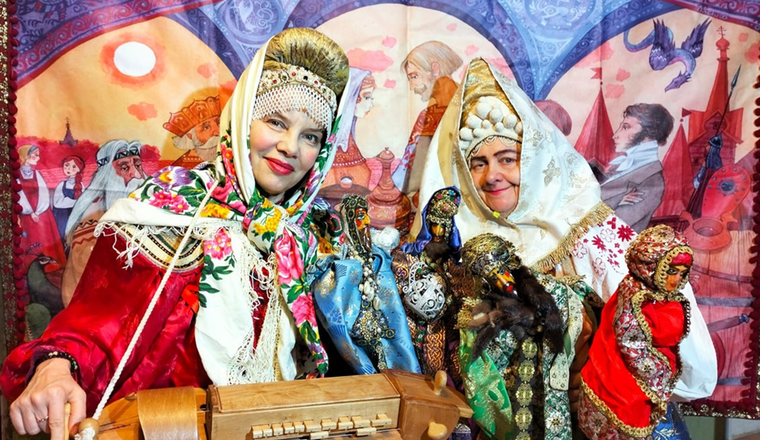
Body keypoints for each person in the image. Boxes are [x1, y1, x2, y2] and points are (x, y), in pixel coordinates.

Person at [1, 28, 351, 440]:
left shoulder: (314, 234)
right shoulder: (170, 206)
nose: (291, 147)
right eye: (276, 122)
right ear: (242, 121)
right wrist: (56, 366)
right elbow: (98, 324)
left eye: (311, 136)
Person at [414, 57, 716, 426]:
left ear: (536, 158)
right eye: (478, 163)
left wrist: (596, 378)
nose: (491, 176)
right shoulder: (459, 242)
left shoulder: (592, 231)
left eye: (507, 159)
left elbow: (674, 347)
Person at [459, 233, 586, 440]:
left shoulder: (546, 289)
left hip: (552, 376)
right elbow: (487, 364)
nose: (503, 281)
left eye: (502, 272)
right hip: (517, 385)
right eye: (493, 278)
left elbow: (568, 314)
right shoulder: (485, 313)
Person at [579, 225, 693, 439]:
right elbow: (631, 343)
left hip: (640, 379)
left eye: (682, 273)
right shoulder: (635, 296)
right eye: (671, 271)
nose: (676, 280)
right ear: (650, 266)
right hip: (622, 381)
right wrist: (659, 372)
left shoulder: (657, 295)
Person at [311, 194, 420, 374]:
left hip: (379, 322)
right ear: (349, 219)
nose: (367, 221)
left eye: (366, 214)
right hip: (354, 323)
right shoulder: (342, 260)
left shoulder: (376, 255)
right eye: (361, 216)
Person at [60, 139, 147, 306]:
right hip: (97, 304)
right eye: (124, 168)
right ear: (108, 175)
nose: (136, 174)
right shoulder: (94, 212)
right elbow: (90, 268)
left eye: (137, 165)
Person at [392, 41, 463, 198]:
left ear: (435, 69)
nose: (412, 86)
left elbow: (413, 180)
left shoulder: (465, 107)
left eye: (414, 76)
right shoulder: (429, 114)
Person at [600, 103, 674, 232]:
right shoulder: (620, 165)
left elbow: (613, 228)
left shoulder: (652, 181)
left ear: (648, 134)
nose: (615, 135)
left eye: (625, 127)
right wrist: (617, 200)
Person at [17, 145, 67, 274]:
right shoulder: (16, 175)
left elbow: (44, 193)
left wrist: (38, 211)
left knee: (45, 237)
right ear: (25, 156)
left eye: (38, 155)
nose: (38, 158)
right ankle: (30, 267)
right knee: (29, 239)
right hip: (26, 213)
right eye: (35, 154)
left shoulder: (37, 173)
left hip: (42, 212)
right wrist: (29, 212)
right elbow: (19, 195)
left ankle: (50, 266)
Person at [163, 95, 222, 167]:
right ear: (190, 135)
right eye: (206, 127)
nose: (218, 131)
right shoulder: (180, 168)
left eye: (219, 123)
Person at [52, 155, 85, 244]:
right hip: (62, 216)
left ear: (79, 169)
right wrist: (75, 202)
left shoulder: (81, 185)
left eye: (74, 166)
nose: (69, 169)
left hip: (75, 215)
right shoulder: (61, 184)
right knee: (62, 237)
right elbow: (57, 203)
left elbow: (83, 202)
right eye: (66, 165)